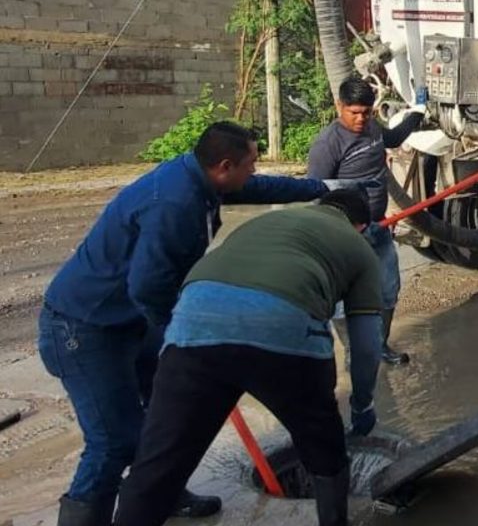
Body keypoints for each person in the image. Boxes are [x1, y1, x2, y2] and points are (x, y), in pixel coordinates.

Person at [38, 121, 332, 525]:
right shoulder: (175, 204)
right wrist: (183, 334)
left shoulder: (201, 177)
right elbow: (146, 286)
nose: (254, 173)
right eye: (250, 165)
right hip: (84, 328)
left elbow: (256, 189)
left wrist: (321, 189)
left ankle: (165, 493)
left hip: (127, 322)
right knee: (112, 442)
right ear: (224, 165)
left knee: (166, 413)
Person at [113, 189, 384, 526]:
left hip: (193, 324)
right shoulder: (358, 246)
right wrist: (362, 404)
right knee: (325, 448)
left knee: (157, 463)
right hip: (282, 330)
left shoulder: (269, 221)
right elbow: (367, 344)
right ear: (360, 225)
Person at [308, 76, 425, 365]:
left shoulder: (373, 128)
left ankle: (378, 346)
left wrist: (418, 112)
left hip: (378, 228)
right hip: (343, 234)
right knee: (340, 302)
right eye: (354, 113)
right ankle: (354, 352)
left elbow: (394, 138)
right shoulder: (328, 144)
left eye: (366, 112)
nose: (360, 119)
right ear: (339, 106)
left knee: (387, 290)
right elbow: (315, 194)